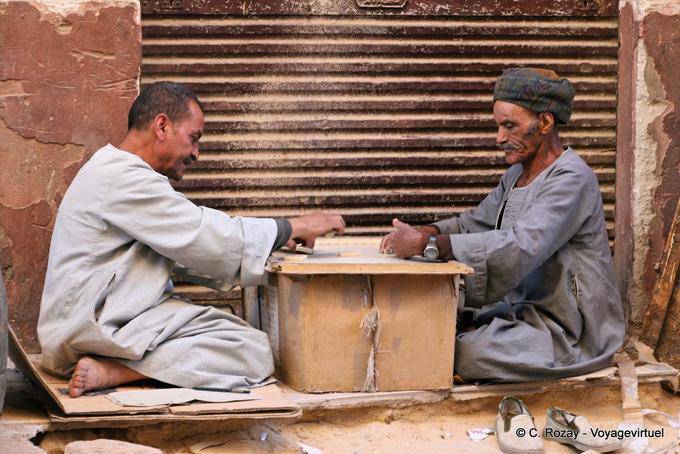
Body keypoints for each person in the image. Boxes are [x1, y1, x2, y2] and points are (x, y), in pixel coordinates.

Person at [38, 82, 345, 397]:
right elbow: (203, 235)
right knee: (251, 350)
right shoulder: (122, 178)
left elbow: (184, 253)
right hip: (93, 328)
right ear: (162, 126)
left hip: (102, 321)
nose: (196, 153)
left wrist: (270, 244)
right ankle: (119, 370)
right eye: (193, 138)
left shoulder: (118, 173)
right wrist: (292, 226)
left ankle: (118, 366)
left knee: (227, 330)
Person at [380, 68, 625, 382]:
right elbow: (475, 222)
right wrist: (429, 232)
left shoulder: (572, 178)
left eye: (510, 126)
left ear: (545, 123)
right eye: (498, 126)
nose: (500, 138)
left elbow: (521, 245)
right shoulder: (516, 175)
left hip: (568, 329)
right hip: (522, 310)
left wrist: (429, 247)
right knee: (428, 318)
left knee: (462, 352)